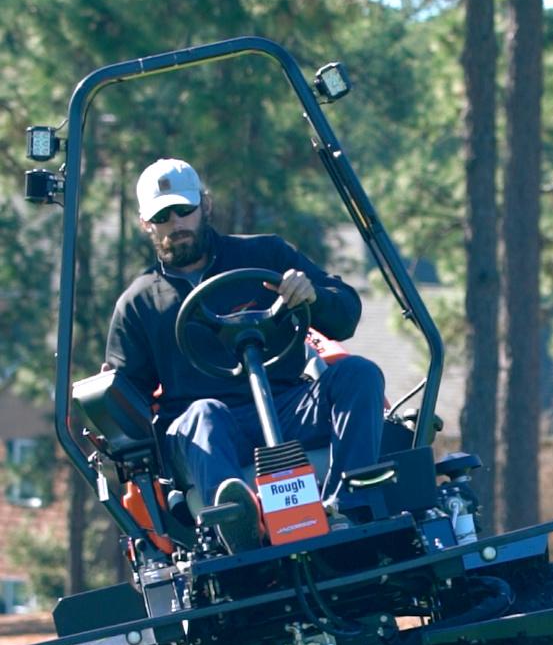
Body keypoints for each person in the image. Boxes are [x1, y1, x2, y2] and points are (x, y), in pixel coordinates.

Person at [105, 158, 384, 552]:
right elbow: (125, 392)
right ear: (145, 224)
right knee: (203, 414)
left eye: (184, 210)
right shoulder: (139, 302)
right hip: (207, 434)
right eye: (162, 216)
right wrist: (110, 402)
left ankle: (346, 510)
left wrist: (313, 295)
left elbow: (346, 314)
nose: (176, 224)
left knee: (358, 374)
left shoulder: (264, 255)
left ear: (205, 205)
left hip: (285, 405)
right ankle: (240, 526)